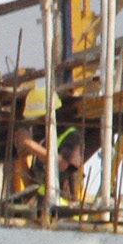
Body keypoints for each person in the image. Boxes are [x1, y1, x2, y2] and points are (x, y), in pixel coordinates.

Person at [9, 85, 86, 213]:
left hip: (62, 211)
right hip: (42, 208)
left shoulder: (73, 137)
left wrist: (29, 143)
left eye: (39, 118)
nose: (37, 124)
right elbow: (31, 184)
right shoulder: (43, 144)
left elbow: (61, 164)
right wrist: (22, 157)